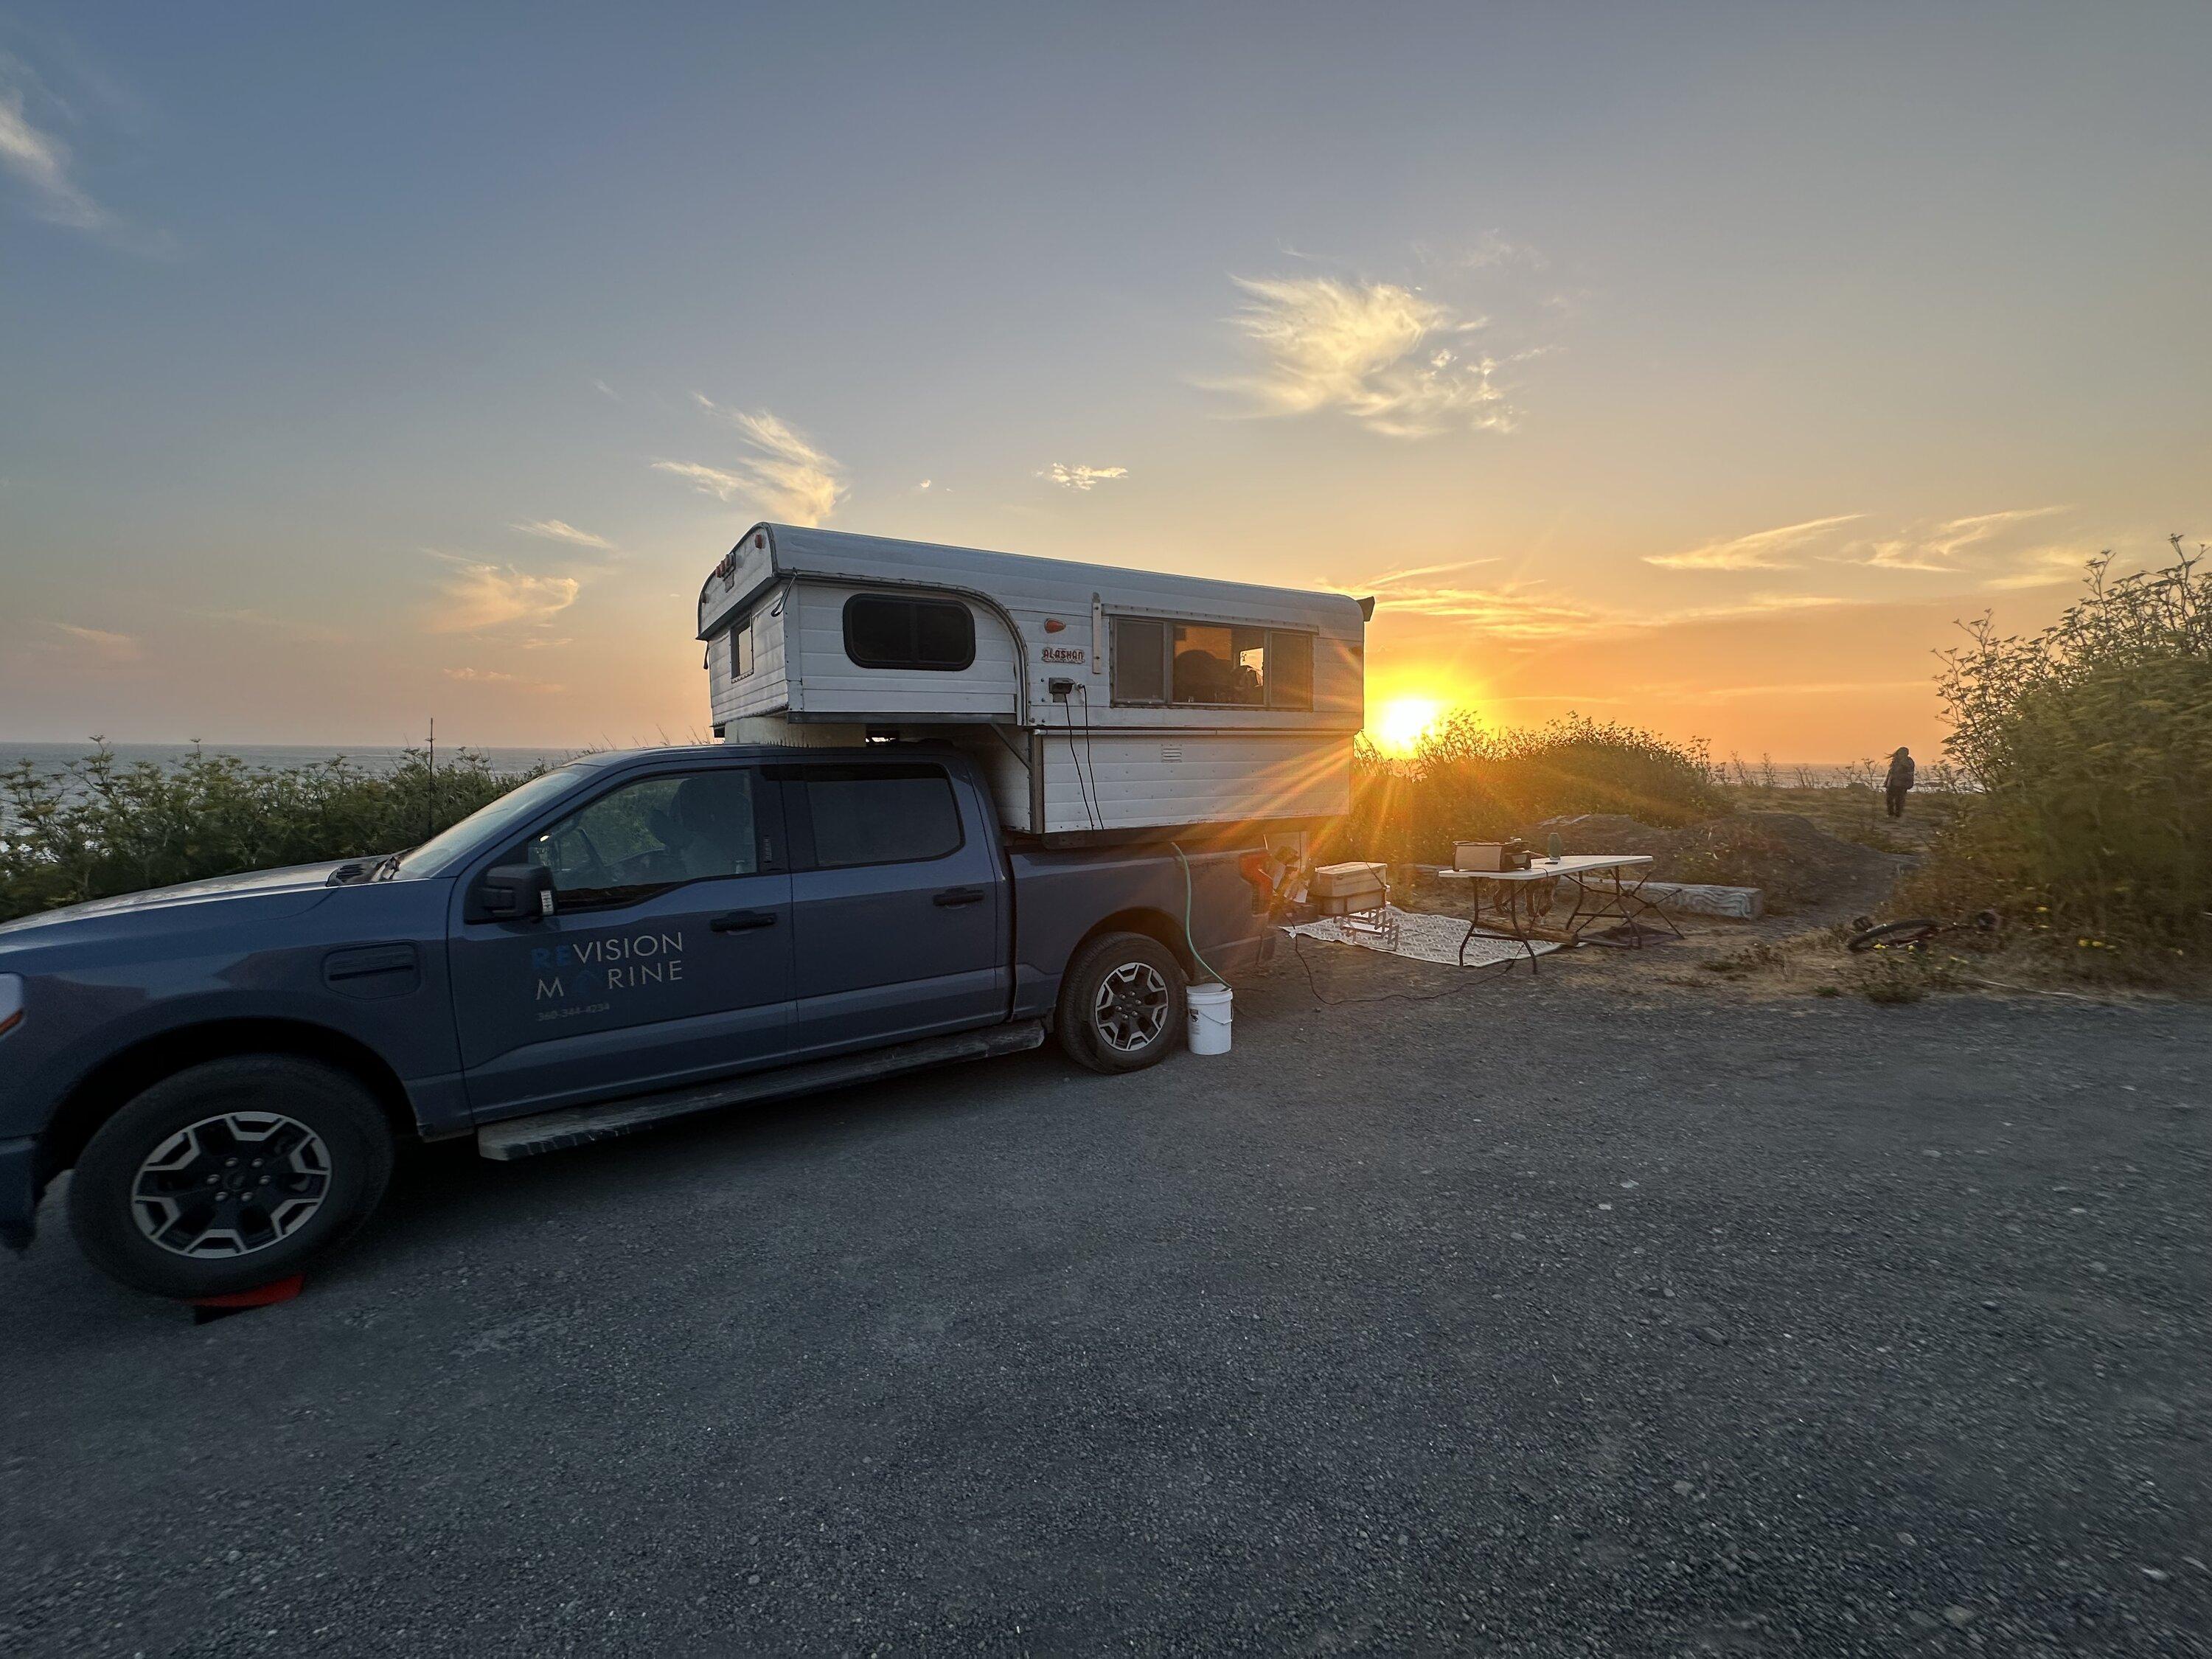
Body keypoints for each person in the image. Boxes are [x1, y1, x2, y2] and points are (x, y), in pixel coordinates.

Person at [1884, 746, 1916, 818]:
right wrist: (1886, 782)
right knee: (1889, 799)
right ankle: (1890, 814)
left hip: (1902, 783)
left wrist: (1903, 763)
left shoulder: (1909, 761)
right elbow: (1891, 772)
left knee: (1899, 800)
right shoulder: (1896, 761)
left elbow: (1909, 770)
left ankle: (1898, 815)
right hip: (1893, 782)